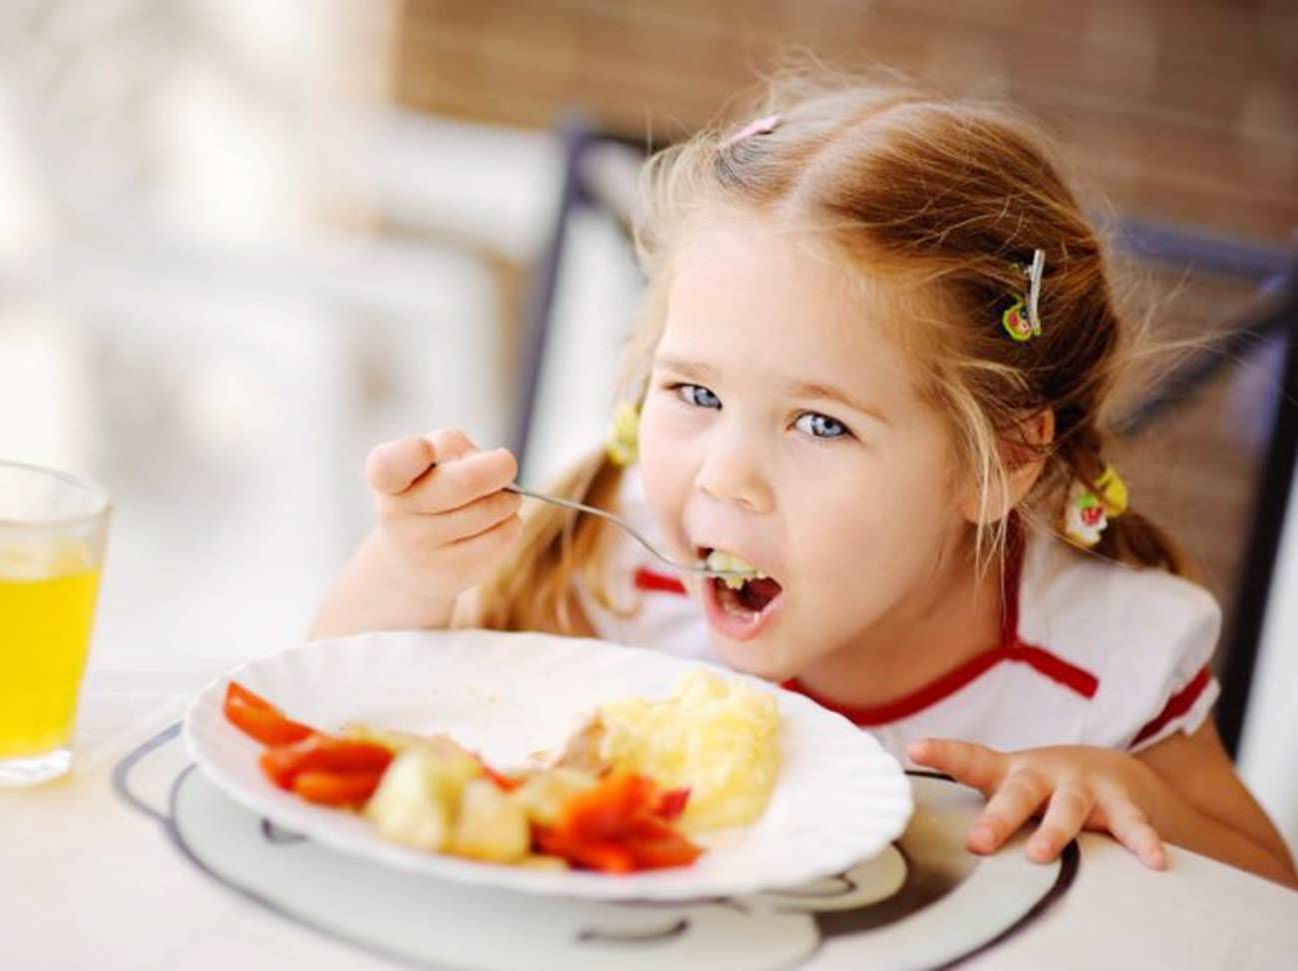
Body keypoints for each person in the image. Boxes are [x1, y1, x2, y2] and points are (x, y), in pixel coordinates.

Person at [313, 80, 1297, 887]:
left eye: (820, 423)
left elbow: (1269, 899)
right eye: (695, 392)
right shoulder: (612, 566)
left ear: (996, 460)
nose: (725, 477)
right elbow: (332, 725)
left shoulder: (1095, 665)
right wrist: (406, 574)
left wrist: (1129, 791)